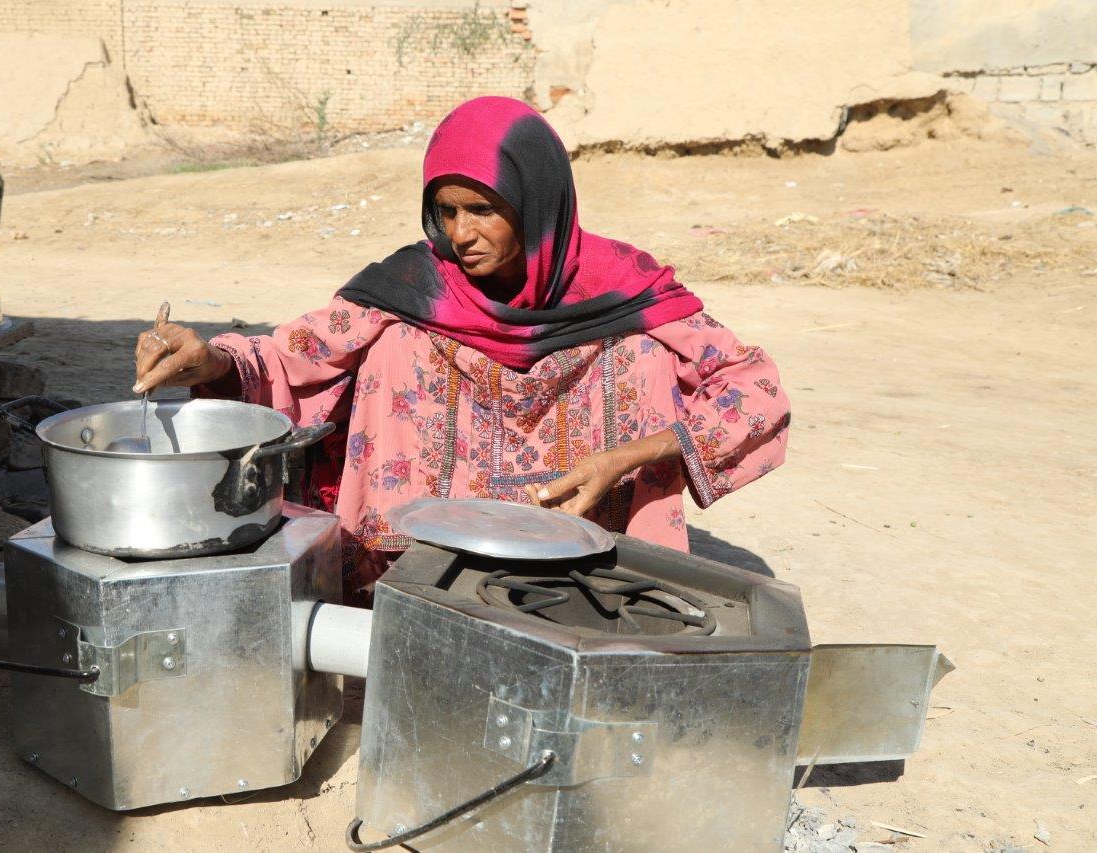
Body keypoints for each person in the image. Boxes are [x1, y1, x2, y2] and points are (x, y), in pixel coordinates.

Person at [133, 96, 790, 604]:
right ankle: (410, 592)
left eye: (481, 209)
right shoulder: (414, 285)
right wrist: (211, 362)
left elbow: (754, 386)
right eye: (444, 212)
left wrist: (626, 456)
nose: (460, 233)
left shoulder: (625, 289)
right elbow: (294, 355)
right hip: (420, 563)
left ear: (537, 203)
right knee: (391, 343)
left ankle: (603, 601)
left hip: (592, 548)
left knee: (642, 355)